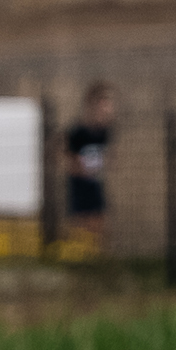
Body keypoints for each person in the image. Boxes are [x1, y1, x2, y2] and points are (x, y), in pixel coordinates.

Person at [64, 83, 115, 248]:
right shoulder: (79, 132)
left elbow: (105, 157)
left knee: (99, 226)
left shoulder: (104, 133)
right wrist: (81, 169)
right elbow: (68, 157)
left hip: (95, 184)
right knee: (82, 228)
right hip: (80, 186)